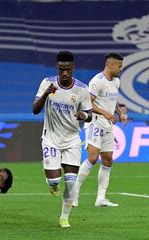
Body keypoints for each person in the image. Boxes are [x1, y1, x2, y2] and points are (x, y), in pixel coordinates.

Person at [32, 51, 92, 228]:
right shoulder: (47, 83)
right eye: (61, 70)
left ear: (73, 68)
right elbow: (35, 110)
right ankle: (52, 184)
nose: (65, 73)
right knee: (54, 181)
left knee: (71, 183)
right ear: (57, 68)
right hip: (50, 138)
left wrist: (83, 115)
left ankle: (64, 217)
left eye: (68, 69)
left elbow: (89, 114)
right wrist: (46, 94)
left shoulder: (82, 89)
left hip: (72, 140)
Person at [73, 52, 128, 208]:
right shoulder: (97, 81)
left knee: (108, 159)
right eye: (119, 66)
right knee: (92, 157)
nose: (120, 69)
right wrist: (105, 113)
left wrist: (120, 113)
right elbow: (88, 104)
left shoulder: (116, 82)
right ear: (110, 65)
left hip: (108, 125)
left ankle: (101, 198)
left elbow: (112, 100)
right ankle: (74, 193)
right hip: (95, 123)